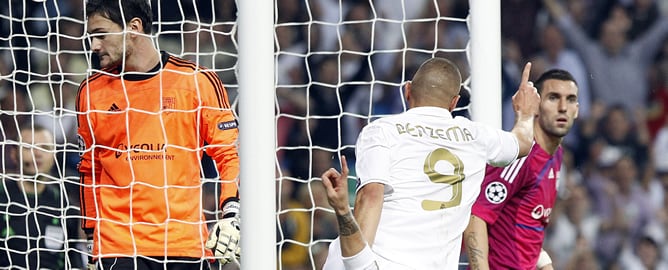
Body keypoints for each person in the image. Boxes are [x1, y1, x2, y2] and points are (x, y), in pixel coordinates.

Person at [321, 57, 540, 269]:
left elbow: (371, 196)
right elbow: (522, 143)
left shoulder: (381, 131)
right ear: (454, 102)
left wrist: (357, 257)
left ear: (407, 90)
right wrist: (526, 113)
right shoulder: (476, 136)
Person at [76, 0, 240, 268]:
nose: (94, 46)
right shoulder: (91, 92)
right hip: (118, 247)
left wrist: (230, 212)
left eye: (100, 34)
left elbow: (227, 154)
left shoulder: (196, 81)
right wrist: (92, 235)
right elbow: (89, 170)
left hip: (184, 244)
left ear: (134, 27)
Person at [464, 69, 580, 270]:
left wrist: (545, 265)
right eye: (553, 98)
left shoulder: (557, 155)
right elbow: (476, 217)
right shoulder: (519, 156)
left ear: (577, 109)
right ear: (536, 106)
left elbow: (529, 224)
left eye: (570, 100)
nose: (563, 107)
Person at [0, 125, 84, 269]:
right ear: (13, 154)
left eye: (45, 147)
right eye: (28, 147)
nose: (37, 153)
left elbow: (73, 258)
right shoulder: (2, 198)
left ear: (54, 154)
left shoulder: (65, 206)